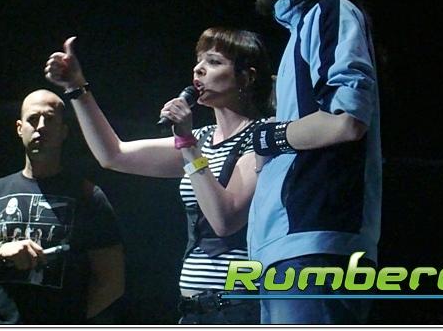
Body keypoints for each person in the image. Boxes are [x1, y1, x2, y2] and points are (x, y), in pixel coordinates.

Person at [44, 27, 273, 324]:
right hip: (193, 309)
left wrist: (187, 144)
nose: (199, 69)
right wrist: (76, 88)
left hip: (236, 307)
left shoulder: (262, 137)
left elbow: (224, 220)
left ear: (246, 77)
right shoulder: (203, 139)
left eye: (214, 62)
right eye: (199, 61)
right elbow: (113, 155)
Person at [237, 0, 382, 324]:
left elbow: (346, 119)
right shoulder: (305, 27)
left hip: (315, 243)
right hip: (291, 246)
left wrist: (270, 136)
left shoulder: (331, 12)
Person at [0, 90, 125, 324]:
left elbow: (112, 283)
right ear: (19, 128)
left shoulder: (88, 196)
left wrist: (67, 320)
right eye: (33, 119)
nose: (41, 127)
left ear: (63, 131)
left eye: (50, 119)